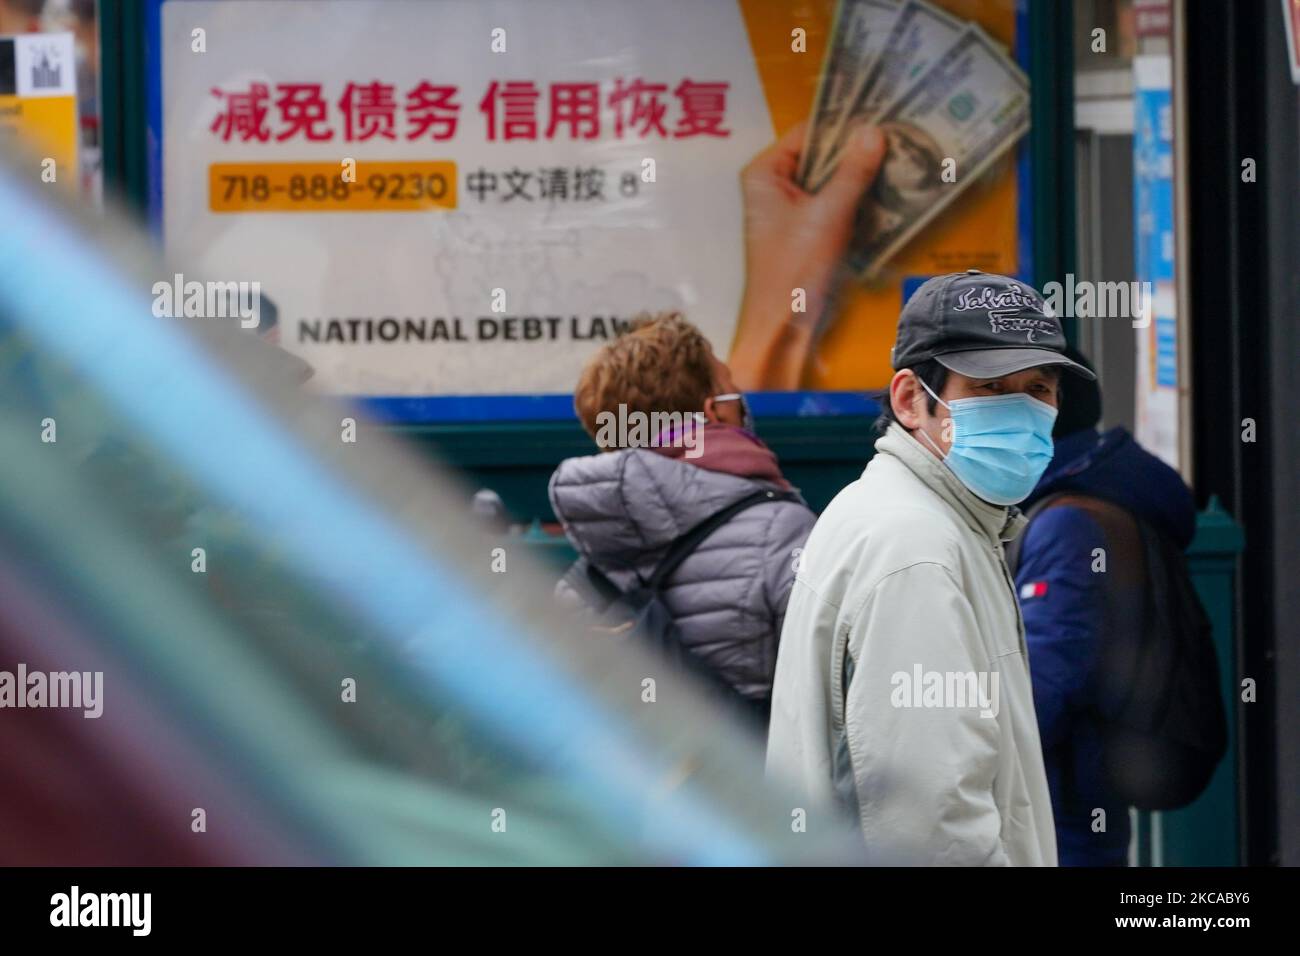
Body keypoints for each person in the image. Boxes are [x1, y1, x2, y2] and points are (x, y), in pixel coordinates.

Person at [766, 270, 1094, 866]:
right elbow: (935, 832)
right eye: (992, 388)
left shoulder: (915, 516)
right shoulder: (916, 550)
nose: (1023, 411)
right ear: (911, 399)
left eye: (1040, 389)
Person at [549, 311, 815, 721]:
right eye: (732, 388)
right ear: (715, 412)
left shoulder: (589, 572)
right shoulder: (782, 532)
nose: (743, 402)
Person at [1010, 346, 1196, 867]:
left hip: (1062, 810)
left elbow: (1042, 689)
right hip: (1076, 797)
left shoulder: (1066, 523)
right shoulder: (1089, 492)